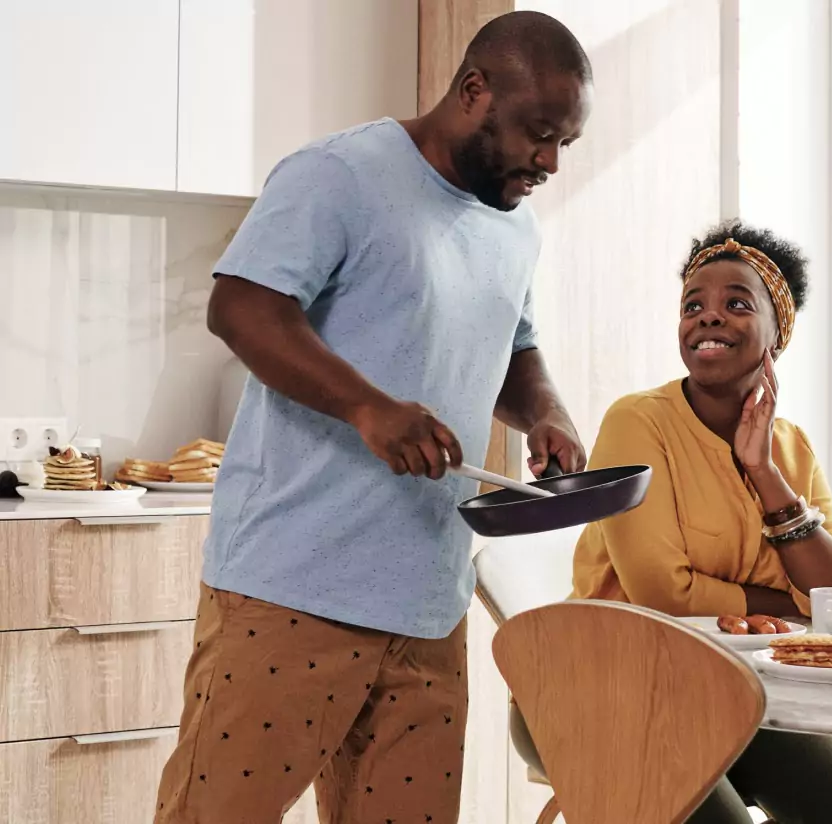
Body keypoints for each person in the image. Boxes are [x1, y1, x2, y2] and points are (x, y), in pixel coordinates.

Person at [153, 12, 592, 824]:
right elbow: (242, 307)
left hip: (428, 606)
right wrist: (367, 407)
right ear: (474, 91)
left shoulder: (516, 230)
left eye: (565, 141)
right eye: (539, 133)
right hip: (291, 592)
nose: (550, 161)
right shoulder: (340, 175)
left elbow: (515, 345)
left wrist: (546, 414)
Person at [570, 220, 832, 823]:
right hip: (605, 685)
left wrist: (764, 472)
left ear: (776, 333)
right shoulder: (636, 422)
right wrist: (786, 609)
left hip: (735, 691)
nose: (707, 318)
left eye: (736, 304)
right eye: (694, 306)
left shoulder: (791, 447)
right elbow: (663, 593)